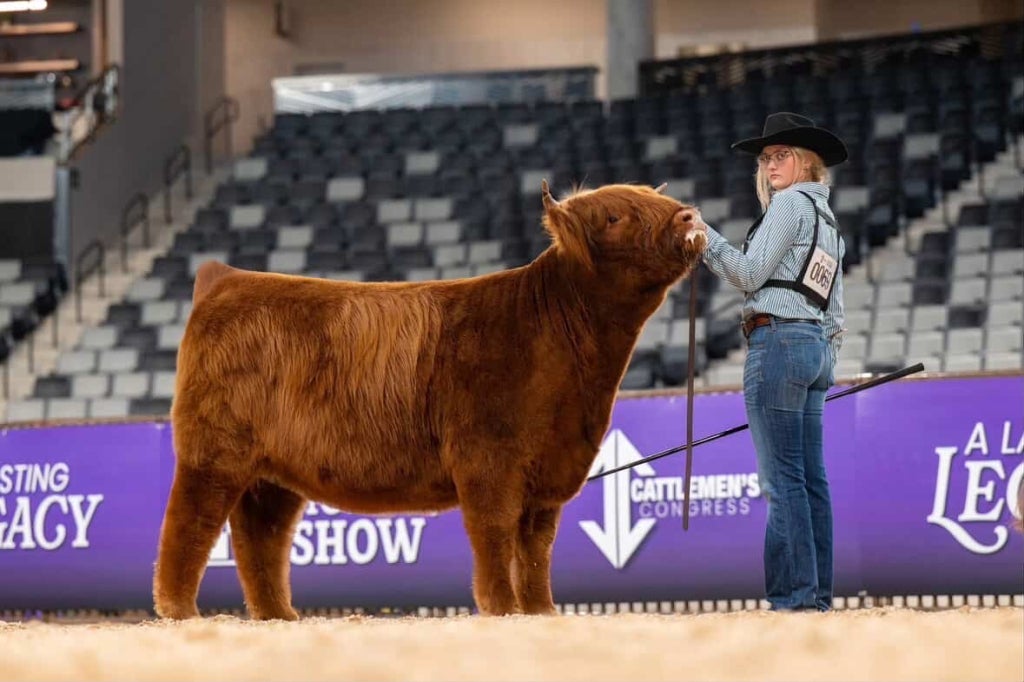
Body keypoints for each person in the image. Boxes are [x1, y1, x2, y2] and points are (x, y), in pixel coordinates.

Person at [692, 112, 848, 612]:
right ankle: (816, 595)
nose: (771, 164)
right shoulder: (828, 220)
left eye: (781, 155)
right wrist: (823, 357)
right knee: (809, 480)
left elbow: (750, 274)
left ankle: (795, 601)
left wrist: (705, 236)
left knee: (783, 482)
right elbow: (835, 308)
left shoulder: (788, 206)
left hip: (777, 343)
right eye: (766, 158)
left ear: (807, 162)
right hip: (813, 348)